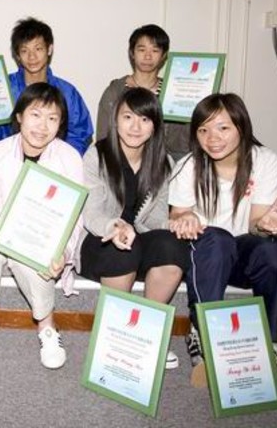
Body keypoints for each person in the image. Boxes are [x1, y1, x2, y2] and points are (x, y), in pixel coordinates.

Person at [169, 93, 277, 388]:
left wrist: (265, 224)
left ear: (241, 126)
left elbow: (255, 225)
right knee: (217, 238)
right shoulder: (189, 165)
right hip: (206, 256)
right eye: (203, 130)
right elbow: (178, 214)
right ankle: (202, 332)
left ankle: (276, 340)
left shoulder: (265, 161)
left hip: (243, 251)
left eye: (222, 128)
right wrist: (184, 220)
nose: (212, 138)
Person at [0, 83, 83, 368]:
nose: (42, 126)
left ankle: (47, 327)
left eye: (52, 118)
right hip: (2, 229)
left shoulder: (68, 158)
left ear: (60, 124)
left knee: (34, 256)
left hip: (44, 235)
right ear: (19, 117)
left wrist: (64, 251)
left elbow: (75, 217)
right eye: (36, 115)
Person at [77, 87, 187, 369]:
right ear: (116, 119)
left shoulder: (163, 163)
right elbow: (91, 211)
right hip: (100, 240)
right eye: (128, 117)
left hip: (139, 239)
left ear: (155, 125)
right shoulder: (97, 154)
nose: (135, 126)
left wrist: (173, 225)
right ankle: (118, 337)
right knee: (123, 248)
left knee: (171, 245)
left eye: (144, 119)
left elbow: (153, 220)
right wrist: (115, 226)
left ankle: (150, 335)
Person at [0, 17, 93, 175]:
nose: (32, 57)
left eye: (38, 49)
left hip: (51, 162)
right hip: (9, 160)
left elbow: (80, 133)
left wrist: (56, 157)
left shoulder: (67, 91)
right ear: (17, 55)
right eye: (25, 51)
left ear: (49, 49)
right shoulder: (2, 86)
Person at [96, 24, 188, 160]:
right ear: (132, 53)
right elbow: (104, 137)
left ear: (164, 56)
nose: (148, 56)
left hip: (163, 167)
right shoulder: (115, 91)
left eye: (155, 50)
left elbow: (181, 143)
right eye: (141, 49)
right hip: (119, 165)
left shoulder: (173, 92)